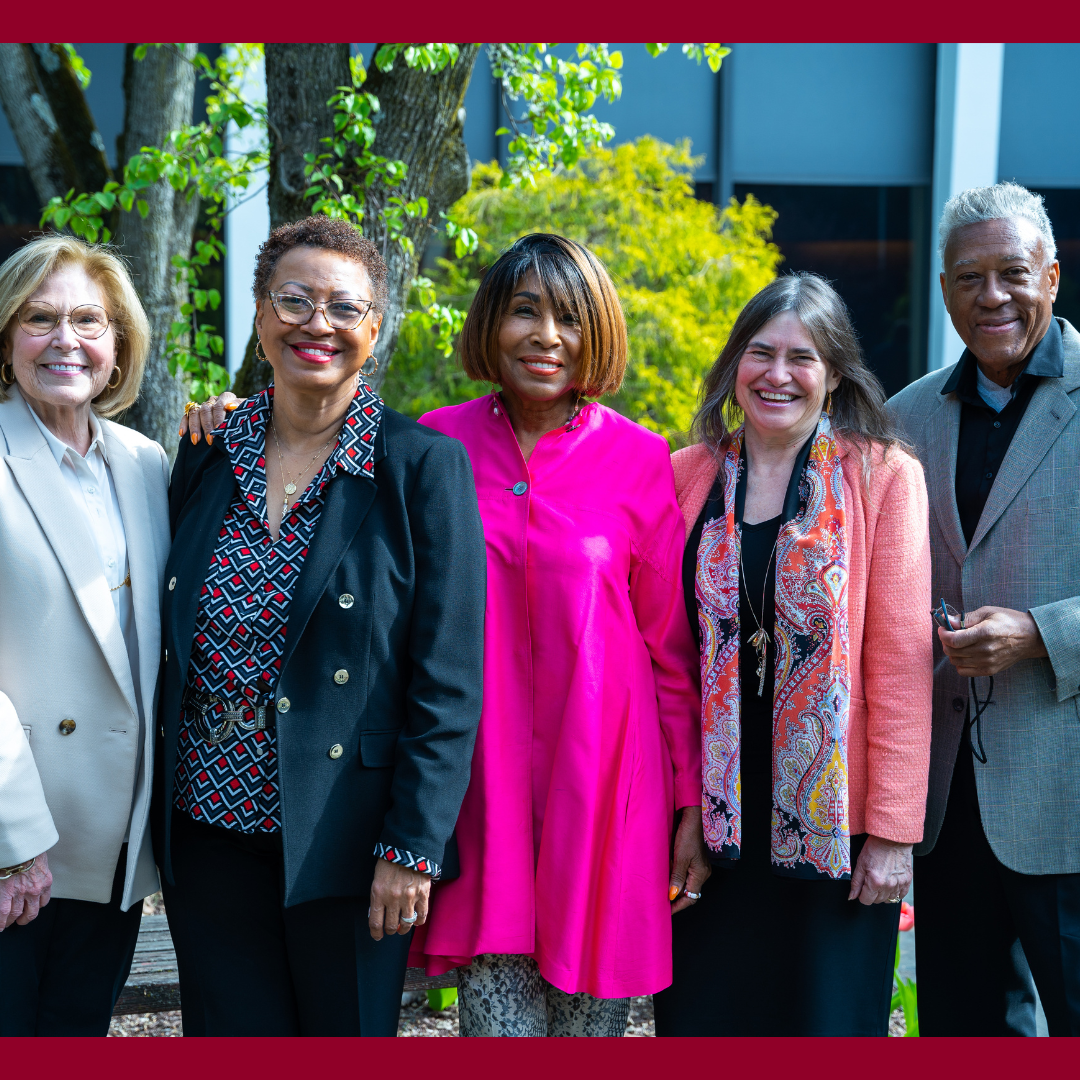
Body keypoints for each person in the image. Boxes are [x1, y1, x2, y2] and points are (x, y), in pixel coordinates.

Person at [156, 216, 486, 1036]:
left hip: (347, 834)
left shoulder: (419, 466)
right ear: (262, 317)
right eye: (295, 300)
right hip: (206, 827)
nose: (318, 324)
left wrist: (411, 847)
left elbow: (448, 679)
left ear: (374, 329)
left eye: (345, 307)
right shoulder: (207, 449)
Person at [411, 233, 706, 1036]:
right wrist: (237, 416)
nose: (547, 336)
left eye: (570, 318)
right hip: (481, 790)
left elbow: (672, 656)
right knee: (496, 1030)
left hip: (607, 788)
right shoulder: (433, 444)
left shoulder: (641, 458)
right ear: (490, 325)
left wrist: (689, 807)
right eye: (525, 312)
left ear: (597, 333)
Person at [654, 273, 933, 1036]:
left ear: (834, 373)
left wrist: (894, 835)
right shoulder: (685, 476)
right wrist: (682, 809)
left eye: (802, 357)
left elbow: (902, 668)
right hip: (715, 822)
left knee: (825, 1024)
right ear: (734, 365)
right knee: (707, 1021)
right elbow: (667, 659)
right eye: (760, 353)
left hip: (835, 831)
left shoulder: (882, 477)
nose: (778, 374)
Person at [888, 182, 1080, 1036]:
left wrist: (1043, 633)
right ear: (943, 290)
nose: (991, 295)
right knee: (964, 1030)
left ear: (1053, 275)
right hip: (945, 800)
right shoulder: (904, 417)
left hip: (1066, 794)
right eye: (970, 278)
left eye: (1012, 273)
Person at [0, 235, 166, 1034]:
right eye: (40, 318)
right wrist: (15, 841)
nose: (67, 340)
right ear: (6, 338)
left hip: (111, 851)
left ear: (118, 344)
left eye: (89, 321)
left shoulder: (146, 462)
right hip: (16, 837)